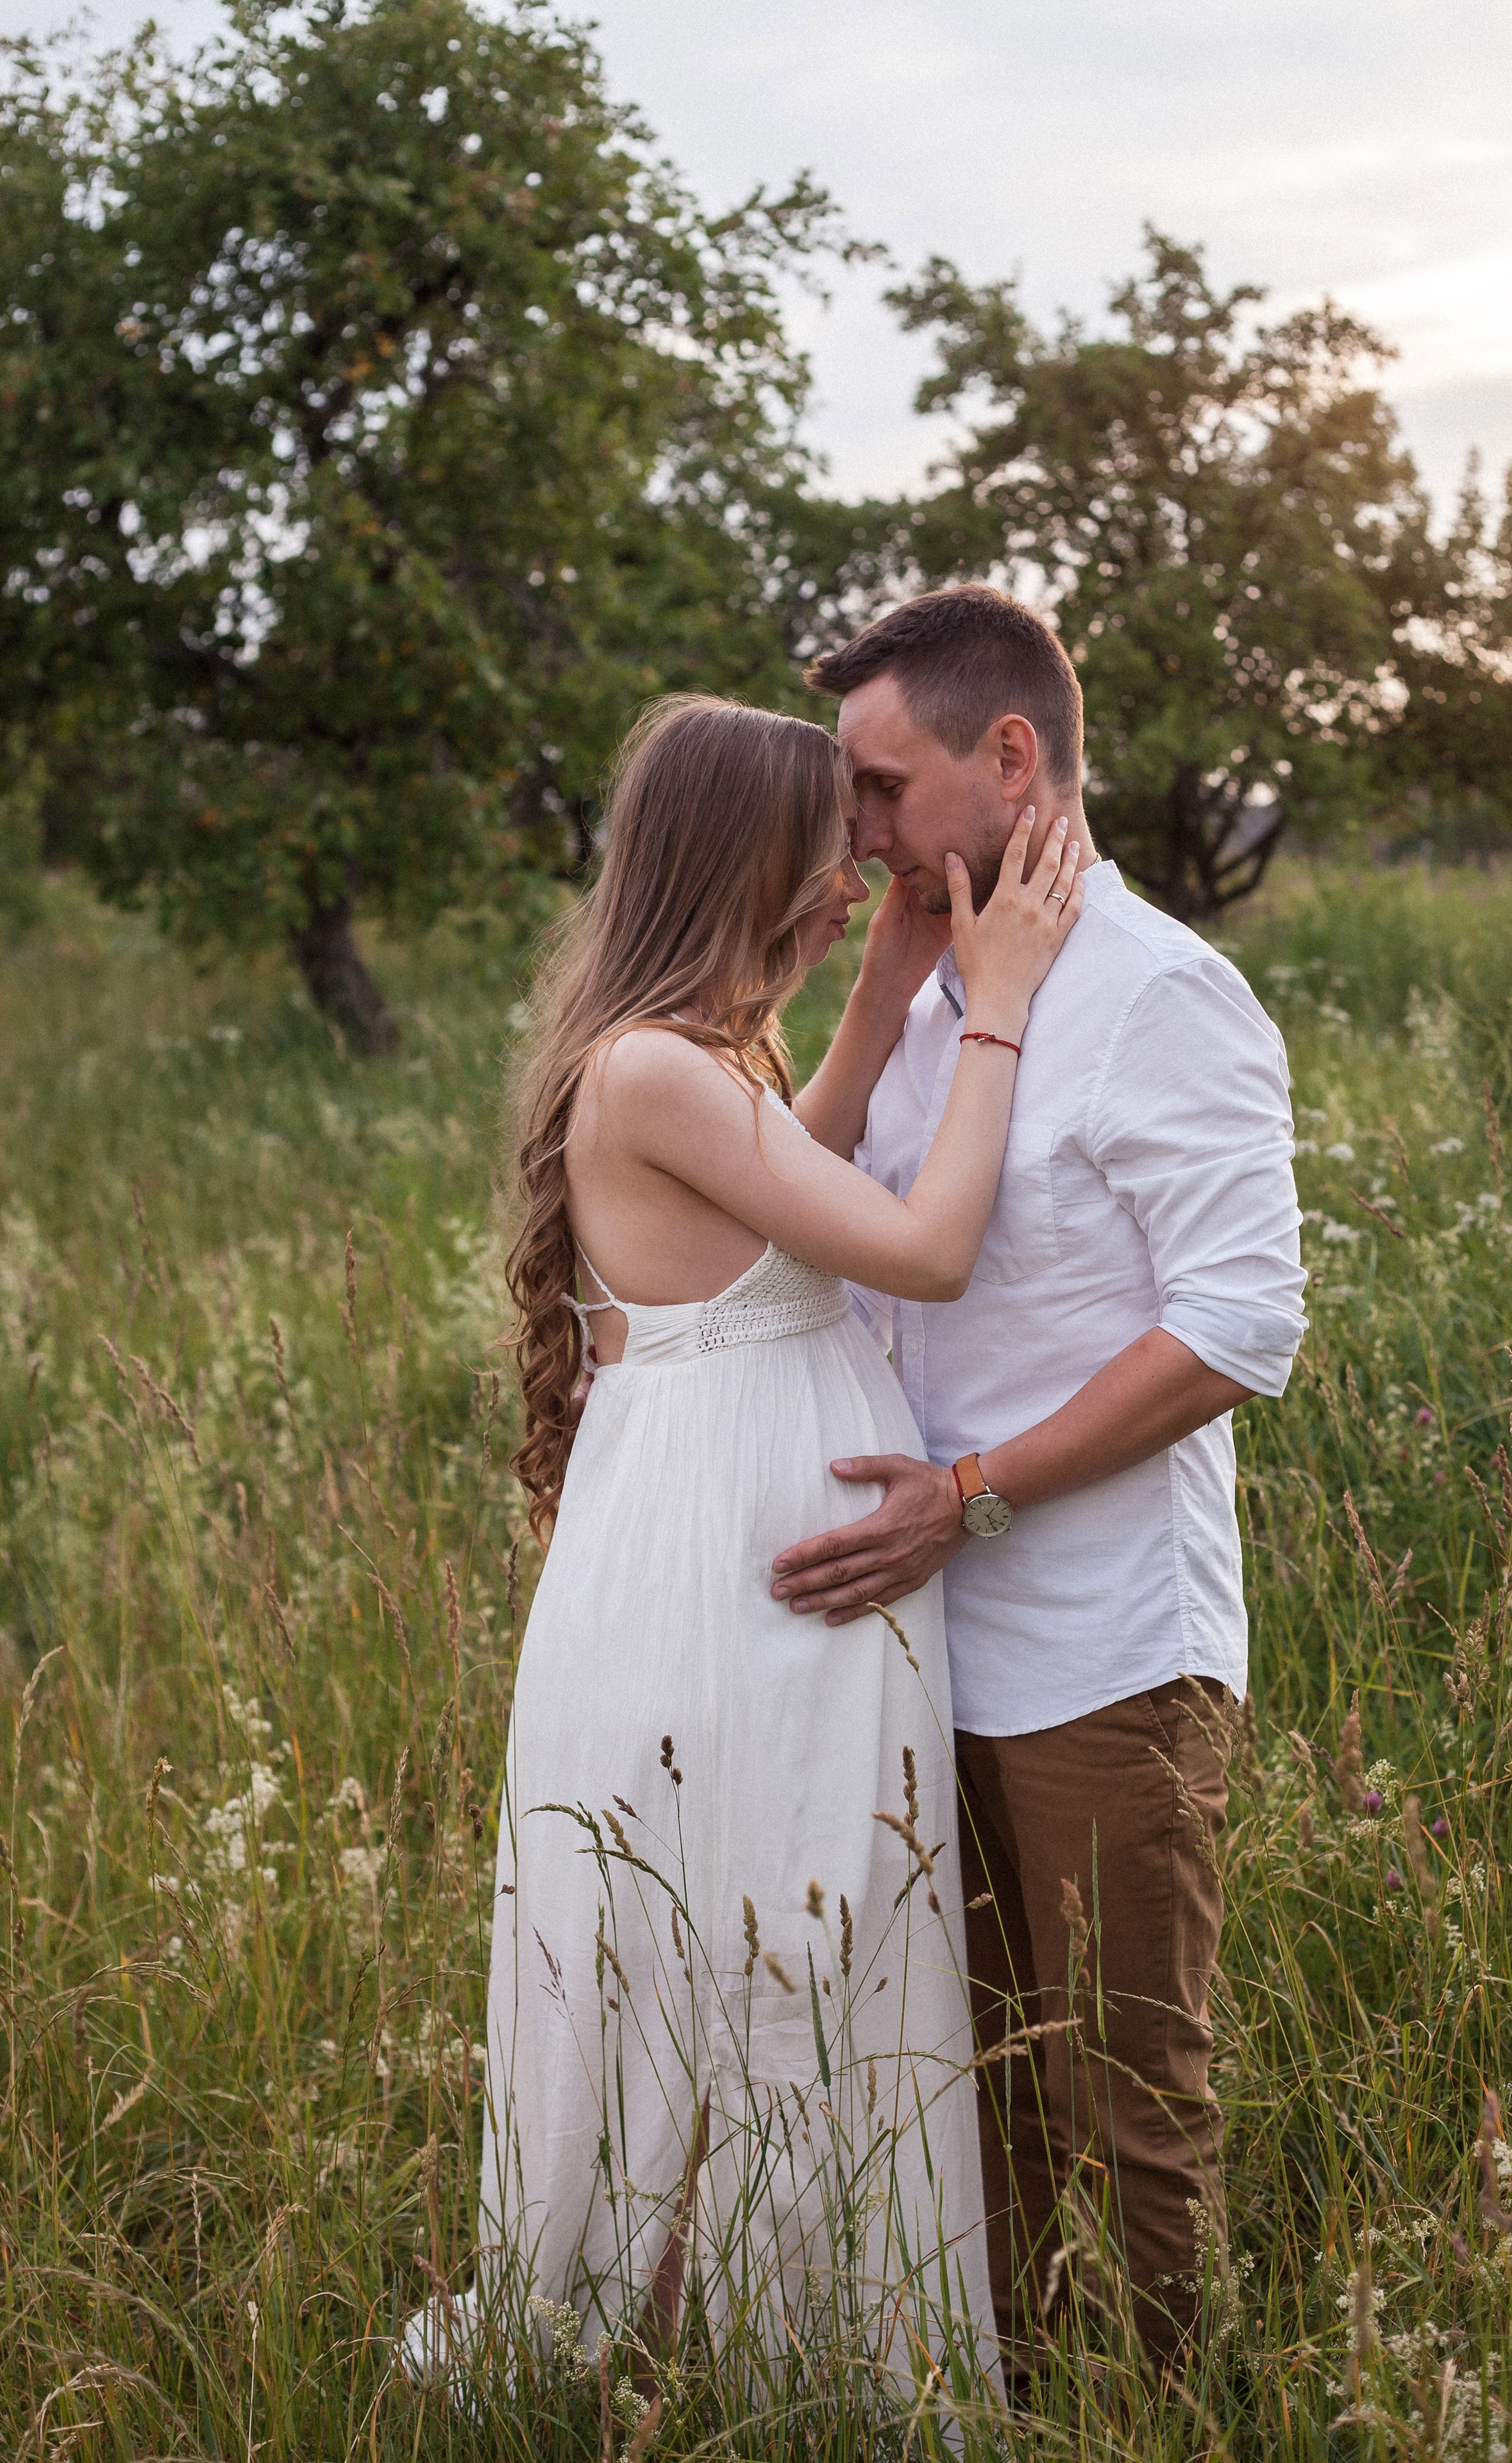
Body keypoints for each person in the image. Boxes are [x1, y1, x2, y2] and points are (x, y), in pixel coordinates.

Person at [404, 694, 1084, 2394]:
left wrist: (865, 1004)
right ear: (746, 855)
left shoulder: (704, 1055)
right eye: (828, 837)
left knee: (809, 1917)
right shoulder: (650, 1069)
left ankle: (786, 2346)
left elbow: (801, 1181)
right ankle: (758, 2362)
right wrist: (988, 1007)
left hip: (746, 1543)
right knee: (770, 1924)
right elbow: (917, 1249)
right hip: (725, 1572)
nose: (859, 863)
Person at [769, 586, 1307, 2380]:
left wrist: (974, 1492)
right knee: (971, 2085)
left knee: (1128, 2091)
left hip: (1097, 1646)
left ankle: (1169, 2419)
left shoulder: (1164, 994)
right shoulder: (931, 980)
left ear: (1013, 760)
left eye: (881, 785)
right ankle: (1009, 2405)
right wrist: (875, 990)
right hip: (914, 1644)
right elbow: (797, 1222)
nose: (855, 832)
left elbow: (1238, 1328)